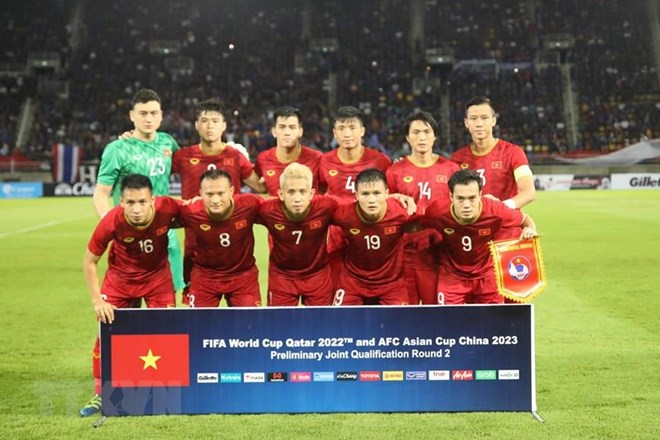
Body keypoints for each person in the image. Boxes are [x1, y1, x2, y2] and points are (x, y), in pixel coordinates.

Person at [80, 174, 181, 417]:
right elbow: (89, 261)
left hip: (158, 279)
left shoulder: (168, 208)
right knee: (104, 333)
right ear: (121, 203)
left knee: (167, 332)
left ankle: (162, 389)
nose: (136, 209)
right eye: (130, 203)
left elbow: (194, 210)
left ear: (152, 201)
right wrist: (98, 300)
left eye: (142, 202)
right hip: (120, 281)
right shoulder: (111, 222)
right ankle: (100, 393)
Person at [172, 98, 266, 304]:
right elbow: (153, 176)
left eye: (215, 121)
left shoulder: (235, 156)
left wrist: (254, 160)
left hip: (235, 248)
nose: (209, 126)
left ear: (224, 125)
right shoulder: (182, 156)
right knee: (200, 322)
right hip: (196, 250)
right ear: (196, 125)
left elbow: (261, 186)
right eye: (204, 121)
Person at [92, 89, 185, 294]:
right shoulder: (118, 149)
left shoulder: (167, 142)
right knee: (128, 303)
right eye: (143, 113)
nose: (149, 118)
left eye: (154, 113)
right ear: (132, 116)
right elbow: (101, 194)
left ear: (161, 115)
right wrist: (112, 226)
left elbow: (190, 168)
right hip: (130, 236)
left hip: (164, 232)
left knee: (167, 301)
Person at [421, 169, 538, 305]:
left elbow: (525, 219)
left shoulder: (495, 210)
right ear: (451, 196)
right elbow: (417, 225)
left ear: (480, 195)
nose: (466, 205)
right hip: (452, 276)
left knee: (493, 322)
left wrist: (531, 229)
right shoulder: (436, 211)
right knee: (449, 321)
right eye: (460, 198)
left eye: (472, 198)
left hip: (487, 275)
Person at [386, 111, 459, 305]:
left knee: (436, 318)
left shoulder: (451, 170)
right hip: (405, 258)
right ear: (407, 137)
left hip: (440, 257)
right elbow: (388, 212)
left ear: (434, 135)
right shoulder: (394, 171)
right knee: (403, 318)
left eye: (427, 132)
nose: (422, 137)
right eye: (416, 132)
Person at [318, 106, 392, 275]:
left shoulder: (381, 162)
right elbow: (319, 196)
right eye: (341, 129)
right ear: (334, 133)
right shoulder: (324, 162)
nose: (347, 134)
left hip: (371, 235)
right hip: (338, 239)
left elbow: (390, 196)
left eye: (352, 128)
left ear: (362, 131)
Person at [177, 169, 262, 308]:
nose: (215, 200)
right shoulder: (191, 211)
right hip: (205, 277)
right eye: (209, 194)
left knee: (249, 325)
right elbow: (164, 215)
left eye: (221, 193)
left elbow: (276, 210)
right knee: (198, 325)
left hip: (243, 277)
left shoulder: (249, 205)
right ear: (200, 194)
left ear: (231, 191)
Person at [257, 163, 338, 306]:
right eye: (291, 192)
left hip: (317, 276)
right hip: (282, 278)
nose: (297, 198)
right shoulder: (267, 211)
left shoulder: (327, 206)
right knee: (279, 325)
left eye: (302, 191)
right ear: (281, 194)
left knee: (320, 325)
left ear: (312, 194)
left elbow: (353, 211)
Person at [331, 168, 415, 306]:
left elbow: (431, 215)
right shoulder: (343, 214)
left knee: (400, 324)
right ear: (356, 195)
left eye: (377, 193)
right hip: (352, 282)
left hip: (392, 285)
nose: (371, 200)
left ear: (387, 193)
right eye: (365, 194)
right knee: (339, 322)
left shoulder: (401, 211)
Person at [451, 96, 536, 213]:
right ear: (466, 122)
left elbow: (529, 192)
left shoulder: (513, 152)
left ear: (493, 120)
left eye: (484, 118)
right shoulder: (457, 159)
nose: (479, 123)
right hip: (471, 227)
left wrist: (500, 207)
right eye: (473, 118)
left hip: (505, 226)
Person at [255, 106, 323, 197]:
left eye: (292, 127)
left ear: (300, 132)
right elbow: (257, 187)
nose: (287, 132)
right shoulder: (263, 159)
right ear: (274, 131)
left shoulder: (317, 158)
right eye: (282, 127)